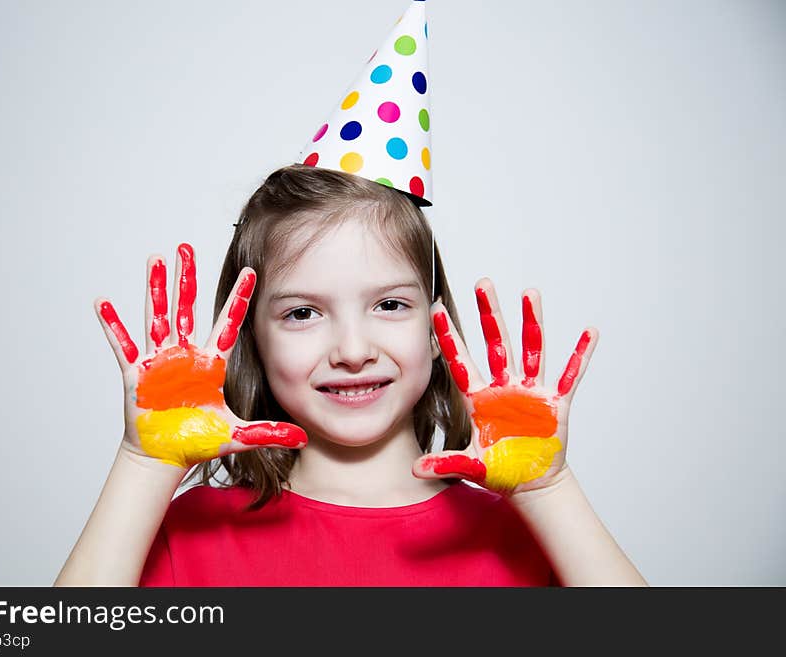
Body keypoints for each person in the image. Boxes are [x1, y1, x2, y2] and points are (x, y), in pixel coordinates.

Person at [54, 164, 647, 587]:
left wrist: (550, 492)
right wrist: (144, 466)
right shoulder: (189, 534)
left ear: (439, 333)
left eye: (389, 305)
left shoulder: (526, 538)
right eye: (302, 313)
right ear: (251, 342)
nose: (353, 349)